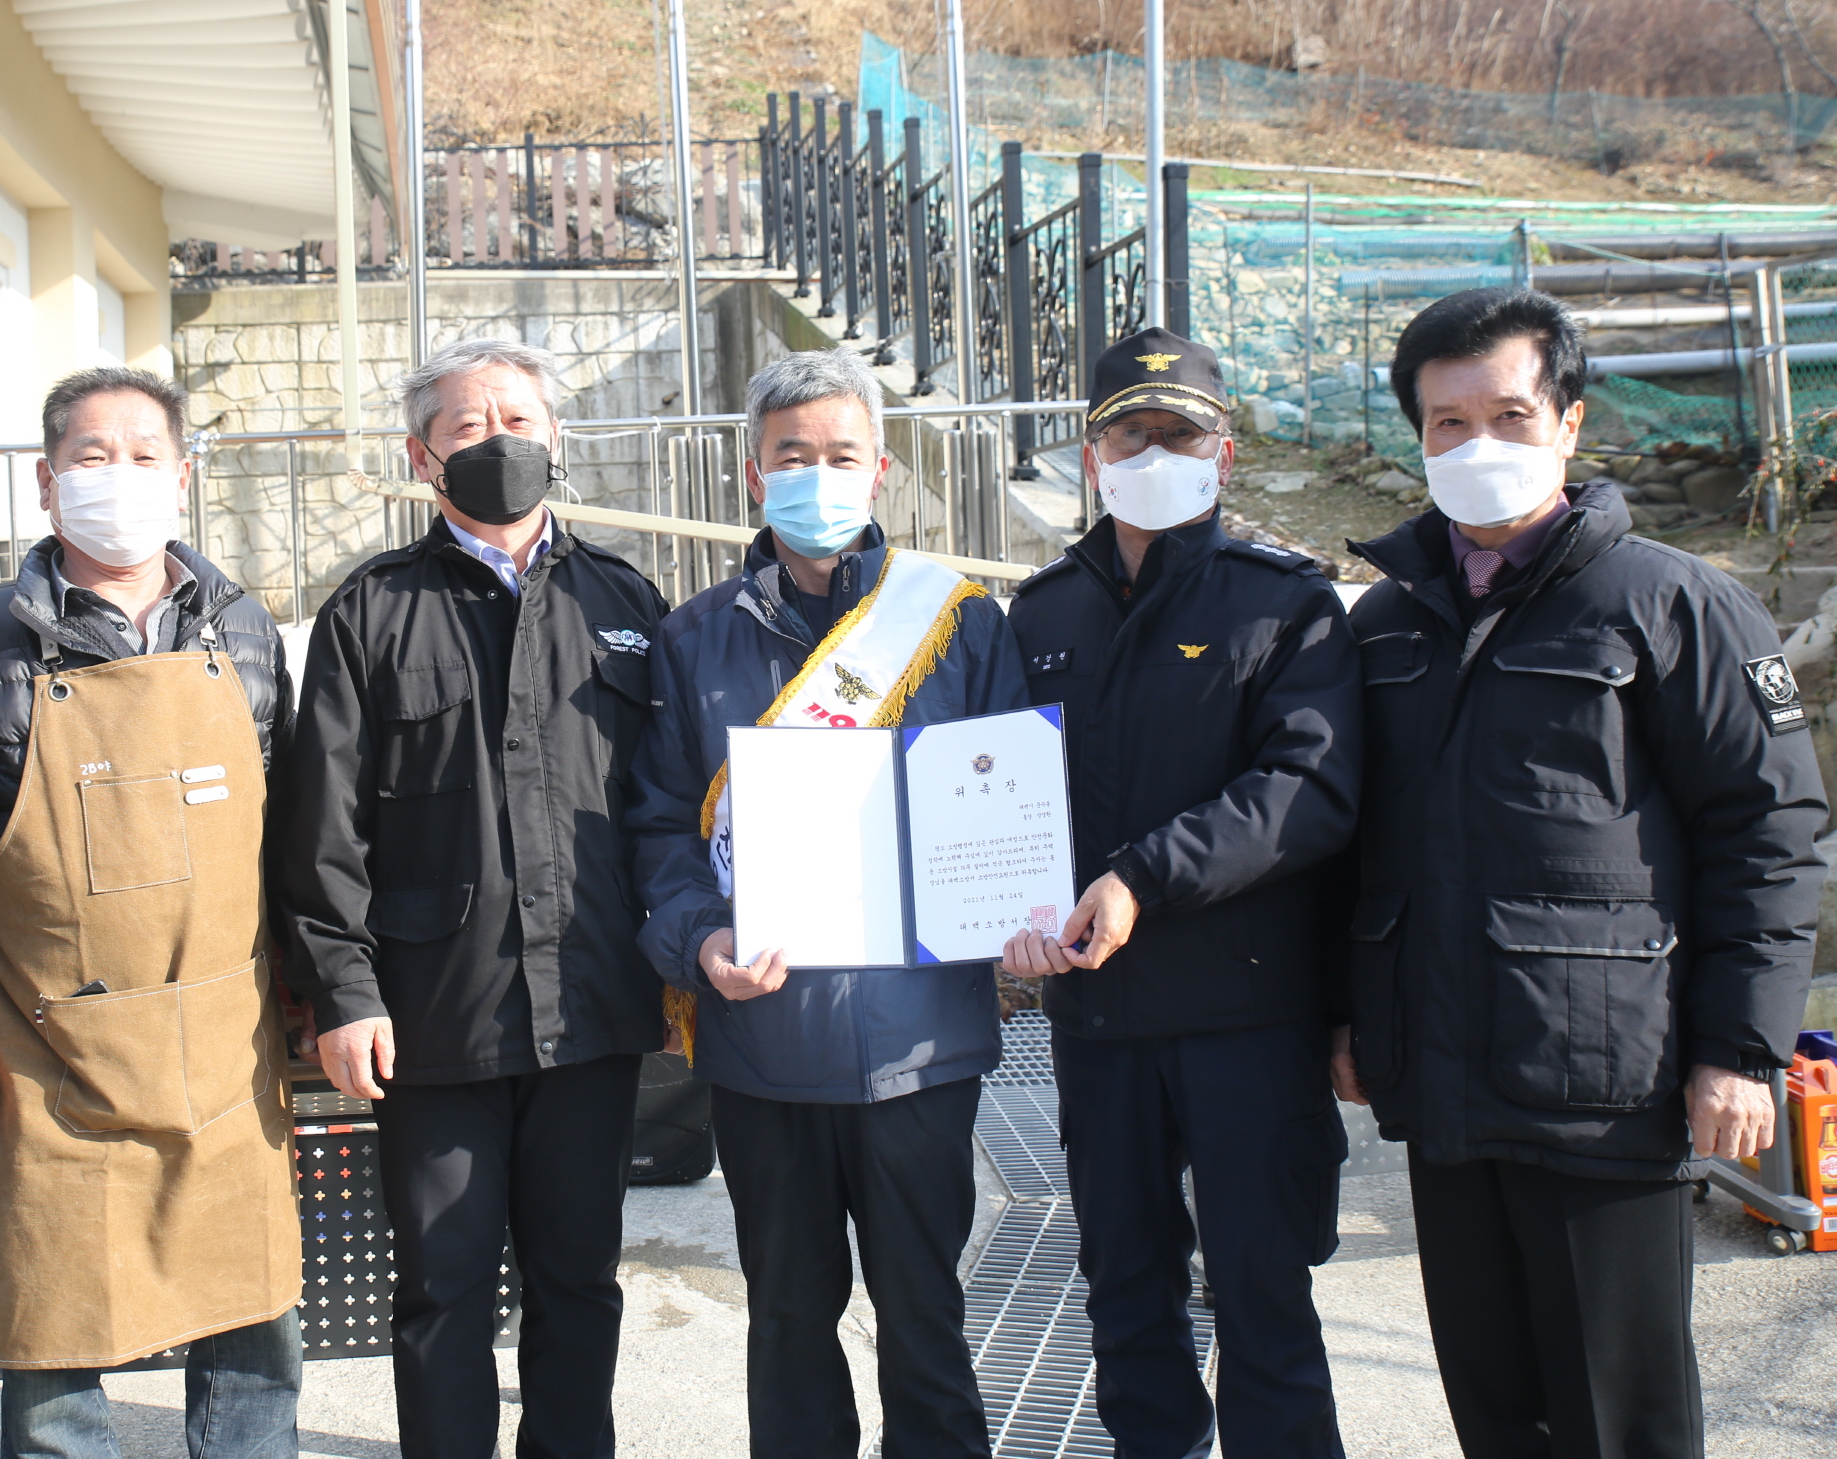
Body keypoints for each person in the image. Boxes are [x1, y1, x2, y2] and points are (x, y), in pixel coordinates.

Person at [1340, 286, 1824, 1459]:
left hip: (1608, 1085)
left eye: (1509, 415)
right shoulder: (1387, 624)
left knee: (1621, 1420)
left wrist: (1740, 1050)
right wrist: (1354, 1021)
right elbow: (1356, 846)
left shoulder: (1673, 603)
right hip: (1445, 1092)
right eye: (1449, 423)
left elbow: (1768, 828)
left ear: (1568, 421)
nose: (1479, 445)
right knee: (1496, 1409)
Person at [0, 366, 302, 1459]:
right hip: (46, 1054)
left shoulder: (245, 633)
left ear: (183, 478)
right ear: (46, 481)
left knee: (252, 1327)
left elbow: (291, 837)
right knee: (56, 1337)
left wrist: (320, 996)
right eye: (92, 457)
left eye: (144, 456)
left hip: (224, 1043)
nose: (120, 477)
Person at [625, 349, 1028, 1459]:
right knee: (790, 1322)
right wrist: (700, 939)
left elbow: (1010, 805)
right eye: (792, 455)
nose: (818, 476)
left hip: (921, 1045)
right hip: (764, 1041)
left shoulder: (957, 623)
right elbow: (657, 829)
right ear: (754, 474)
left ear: (881, 469)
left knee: (927, 1319)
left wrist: (1018, 912)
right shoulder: (693, 637)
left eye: (842, 455)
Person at [278, 337, 668, 1459]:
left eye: (519, 420)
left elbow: (669, 804)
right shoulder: (371, 610)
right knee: (441, 1290)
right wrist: (344, 993)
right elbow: (323, 828)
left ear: (556, 438)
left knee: (579, 1279)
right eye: (466, 425)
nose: (498, 441)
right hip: (432, 1019)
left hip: (588, 1008)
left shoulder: (625, 601)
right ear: (422, 457)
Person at [1000, 327, 1363, 1459]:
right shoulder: (1041, 612)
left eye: (1180, 433)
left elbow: (1307, 790)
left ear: (1225, 453)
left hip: (1247, 1016)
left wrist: (1141, 876)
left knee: (1263, 1295)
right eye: (1130, 434)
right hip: (1100, 1021)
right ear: (1091, 455)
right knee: (1124, 1292)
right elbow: (1003, 799)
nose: (1154, 452)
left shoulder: (1285, 607)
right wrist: (1003, 917)